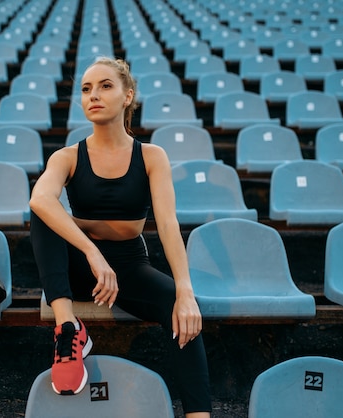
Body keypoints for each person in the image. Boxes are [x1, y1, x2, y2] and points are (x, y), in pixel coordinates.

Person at [29, 56, 212, 417]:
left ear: (128, 95)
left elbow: (168, 224)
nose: (93, 95)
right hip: (79, 269)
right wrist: (92, 253)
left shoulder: (151, 156)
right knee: (42, 211)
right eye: (86, 89)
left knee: (181, 311)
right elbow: (39, 198)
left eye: (105, 86)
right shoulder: (67, 156)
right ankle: (68, 329)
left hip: (128, 266)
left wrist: (185, 291)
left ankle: (199, 413)